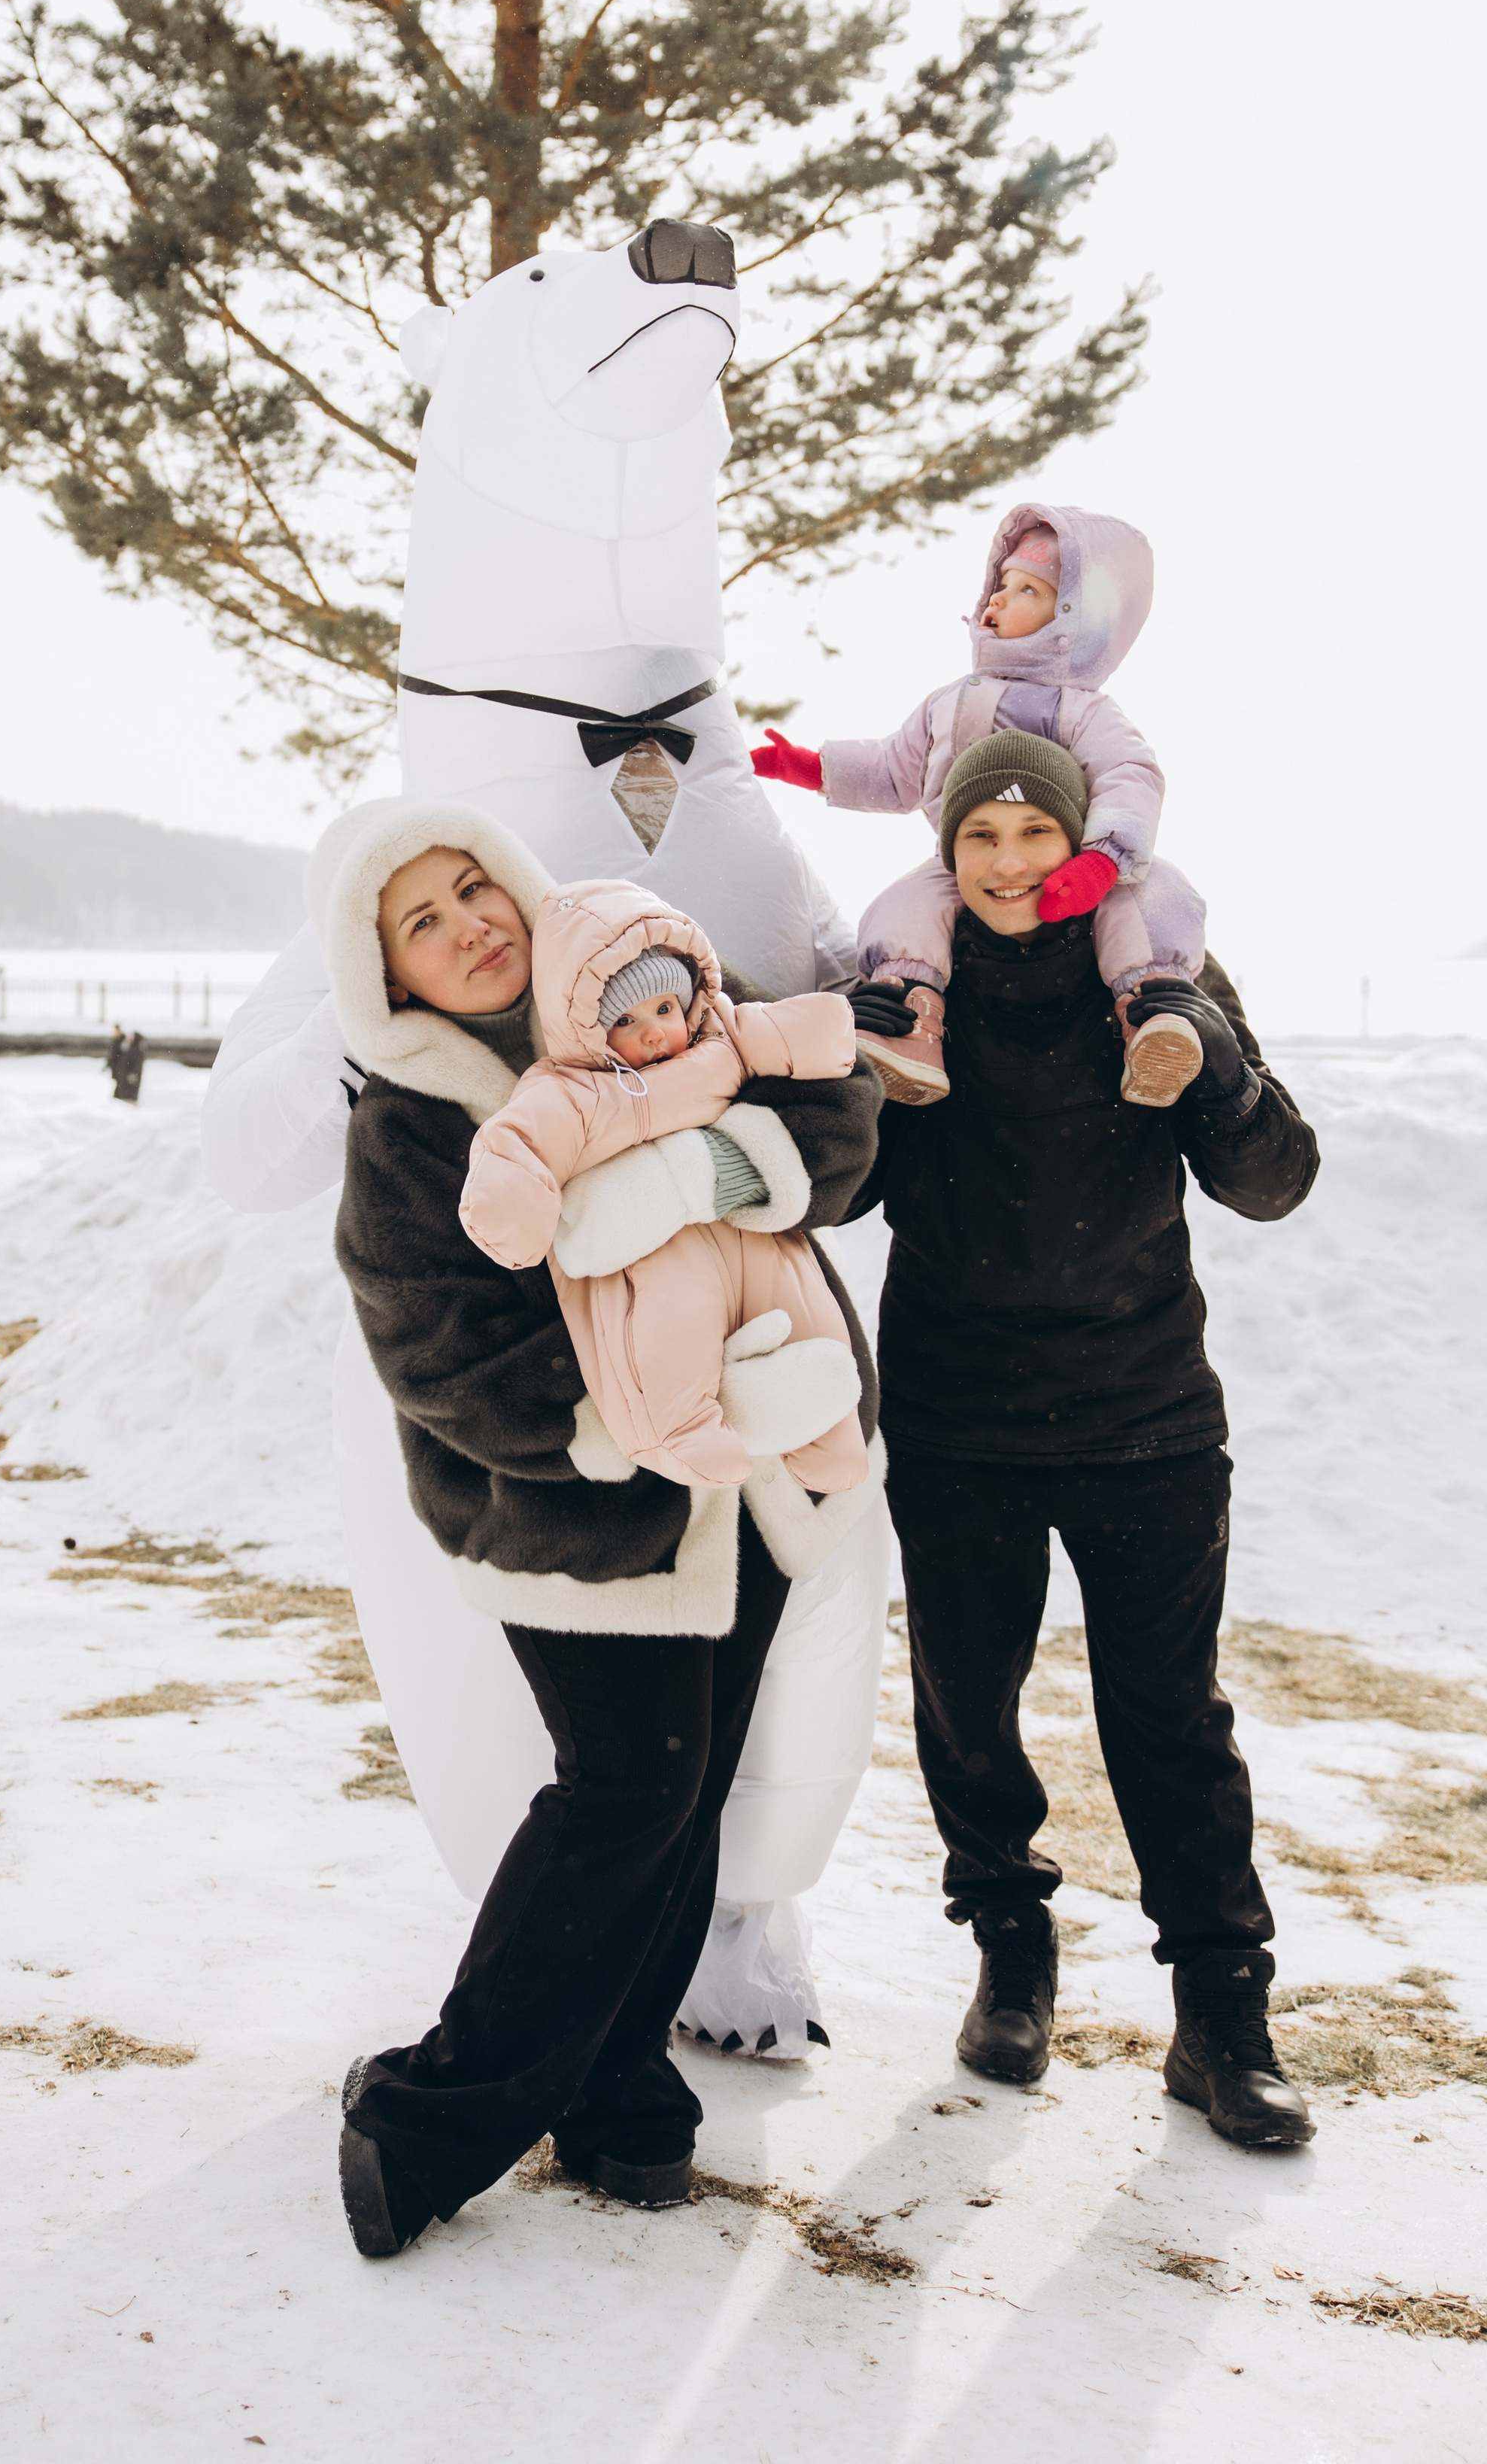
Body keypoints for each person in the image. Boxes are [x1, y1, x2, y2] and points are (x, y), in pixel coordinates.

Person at [315, 799, 882, 2255]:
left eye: (471, 888)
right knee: (629, 1787)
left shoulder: (639, 967)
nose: (468, 928)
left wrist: (709, 1171)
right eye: (422, 923)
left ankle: (622, 2093)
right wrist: (615, 1426)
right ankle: (429, 2116)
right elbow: (437, 1351)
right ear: (384, 971)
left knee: (684, 1796)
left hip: (751, 1475)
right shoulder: (411, 1123)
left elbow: (839, 1114)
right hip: (577, 1518)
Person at [843, 730, 1322, 2150]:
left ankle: (1223, 2016)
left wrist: (1213, 1068)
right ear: (947, 852)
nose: (1008, 863)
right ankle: (1012, 1949)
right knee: (968, 1702)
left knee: (1170, 1716)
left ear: (1079, 842)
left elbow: (1274, 1182)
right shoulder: (909, 985)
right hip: (960, 1419)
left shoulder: (1153, 974)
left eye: (1033, 833)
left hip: (1144, 1414)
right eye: (979, 837)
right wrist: (845, 1072)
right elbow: (835, 1195)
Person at [752, 503, 1209, 1110]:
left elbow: (1130, 775)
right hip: (964, 863)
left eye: (1027, 590)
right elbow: (893, 770)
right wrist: (812, 768)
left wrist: (1102, 861)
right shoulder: (950, 702)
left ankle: (1153, 1012)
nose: (998, 598)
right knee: (902, 906)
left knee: (1155, 897)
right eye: (1001, 584)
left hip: (1073, 863)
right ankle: (911, 1021)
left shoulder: (1082, 709)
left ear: (1071, 622)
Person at [460, 877, 869, 1499]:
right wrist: (509, 1206)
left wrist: (823, 1031)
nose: (653, 1033)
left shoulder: (720, 1037)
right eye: (624, 1020)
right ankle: (679, 1432)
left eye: (664, 1010)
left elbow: (773, 1032)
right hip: (658, 1252)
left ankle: (833, 1439)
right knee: (666, 1332)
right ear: (584, 1028)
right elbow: (520, 1140)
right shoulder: (573, 1090)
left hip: (749, 1229)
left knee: (807, 1308)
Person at [105, 1025, 146, 1104]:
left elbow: (137, 1064)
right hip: (124, 1075)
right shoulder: (128, 1048)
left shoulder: (137, 1050)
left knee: (129, 1094)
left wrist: (133, 1073)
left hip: (130, 1077)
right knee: (122, 1092)